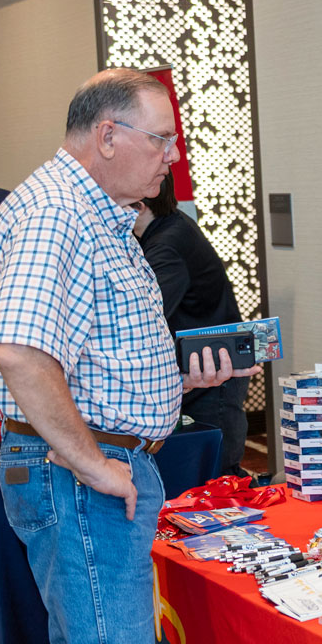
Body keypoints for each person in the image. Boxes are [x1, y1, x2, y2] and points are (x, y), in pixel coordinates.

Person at [0, 68, 259, 644]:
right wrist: (93, 463)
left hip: (92, 464)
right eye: (162, 139)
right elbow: (19, 350)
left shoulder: (97, 214)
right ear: (108, 135)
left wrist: (176, 382)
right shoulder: (57, 212)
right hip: (83, 475)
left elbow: (93, 353)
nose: (172, 156)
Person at [134, 175, 249, 476]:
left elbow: (143, 321)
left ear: (140, 201)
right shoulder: (166, 227)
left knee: (215, 477)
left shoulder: (167, 245)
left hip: (213, 371)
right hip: (197, 368)